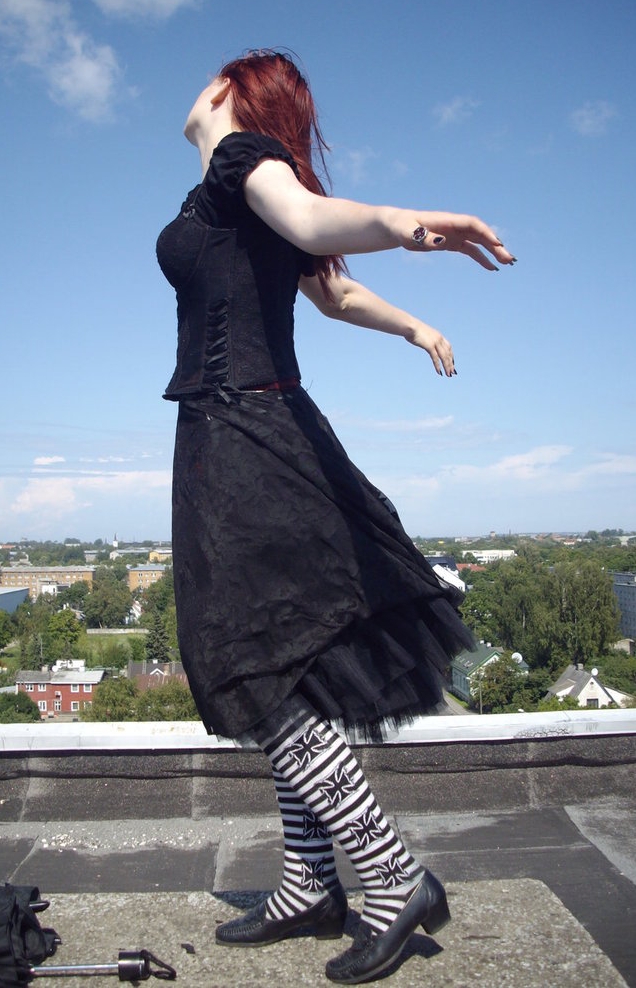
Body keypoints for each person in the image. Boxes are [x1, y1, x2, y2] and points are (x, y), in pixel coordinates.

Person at [156, 49, 514, 985]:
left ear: (236, 98)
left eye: (214, 77)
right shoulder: (233, 191)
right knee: (292, 667)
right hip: (242, 430)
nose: (198, 87)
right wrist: (416, 327)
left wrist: (406, 222)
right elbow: (335, 289)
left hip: (246, 439)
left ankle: (394, 881)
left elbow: (318, 221)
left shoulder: (242, 160)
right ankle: (311, 882)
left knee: (261, 666)